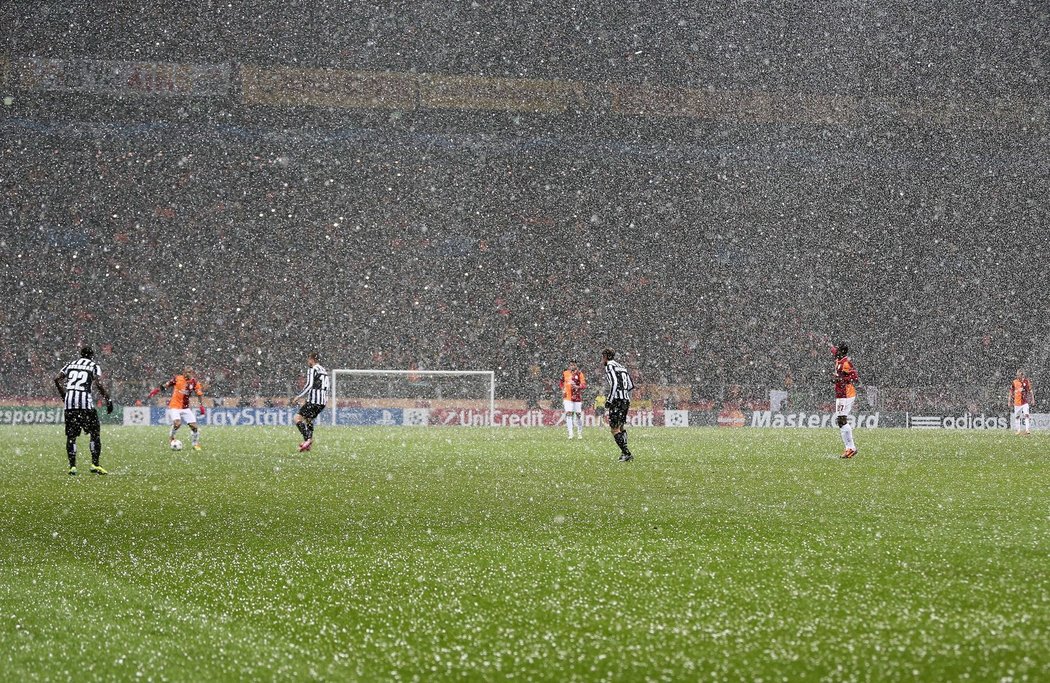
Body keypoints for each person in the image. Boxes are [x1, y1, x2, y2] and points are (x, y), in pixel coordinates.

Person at [54, 345, 113, 475]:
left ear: (81, 355)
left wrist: (64, 394)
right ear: (92, 356)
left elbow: (56, 379)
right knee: (95, 433)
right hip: (85, 404)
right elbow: (98, 383)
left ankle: (72, 467)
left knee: (71, 437)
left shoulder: (71, 364)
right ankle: (95, 464)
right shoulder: (93, 365)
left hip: (70, 404)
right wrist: (108, 399)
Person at [148, 365, 206, 450]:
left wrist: (201, 406)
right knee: (177, 423)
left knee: (194, 427)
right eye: (186, 372)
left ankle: (195, 444)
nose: (187, 374)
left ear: (192, 373)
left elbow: (199, 394)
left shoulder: (194, 383)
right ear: (183, 372)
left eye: (189, 372)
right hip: (175, 406)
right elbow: (165, 386)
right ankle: (172, 437)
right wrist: (156, 391)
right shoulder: (177, 379)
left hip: (185, 408)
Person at [289, 352, 329, 452]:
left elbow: (309, 385)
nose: (308, 361)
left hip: (314, 400)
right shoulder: (324, 370)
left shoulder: (312, 369)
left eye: (308, 359)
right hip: (322, 402)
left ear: (312, 359)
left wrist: (298, 396)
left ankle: (308, 440)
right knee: (309, 420)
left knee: (297, 418)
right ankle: (308, 443)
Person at [602, 348, 635, 462]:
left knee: (614, 428)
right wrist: (625, 395)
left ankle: (626, 453)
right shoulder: (622, 367)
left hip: (617, 400)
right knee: (621, 427)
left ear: (605, 357)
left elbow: (614, 383)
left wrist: (609, 399)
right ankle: (624, 453)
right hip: (625, 399)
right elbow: (630, 385)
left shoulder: (609, 366)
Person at [833, 343, 859, 459]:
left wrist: (841, 379)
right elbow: (832, 349)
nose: (835, 352)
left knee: (842, 420)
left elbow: (855, 377)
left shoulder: (845, 363)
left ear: (842, 352)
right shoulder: (839, 359)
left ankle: (851, 448)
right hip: (840, 394)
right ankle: (849, 448)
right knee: (840, 420)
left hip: (846, 394)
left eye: (838, 350)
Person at [559, 359, 587, 439]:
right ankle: (570, 434)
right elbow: (561, 382)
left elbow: (584, 385)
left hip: (577, 397)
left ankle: (579, 433)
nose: (572, 366)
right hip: (567, 397)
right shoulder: (565, 373)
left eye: (574, 365)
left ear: (576, 365)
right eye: (571, 365)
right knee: (569, 413)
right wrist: (562, 389)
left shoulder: (580, 374)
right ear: (569, 366)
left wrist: (578, 387)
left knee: (578, 415)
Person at [1009, 369, 1035, 435]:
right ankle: (1018, 430)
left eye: (1020, 375)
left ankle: (1027, 430)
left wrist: (1033, 399)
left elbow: (1030, 391)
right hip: (1017, 403)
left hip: (1024, 402)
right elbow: (1011, 392)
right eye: (1017, 375)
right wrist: (1009, 401)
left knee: (1026, 415)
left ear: (1022, 375)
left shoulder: (1026, 382)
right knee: (1017, 417)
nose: (1018, 376)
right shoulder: (1014, 382)